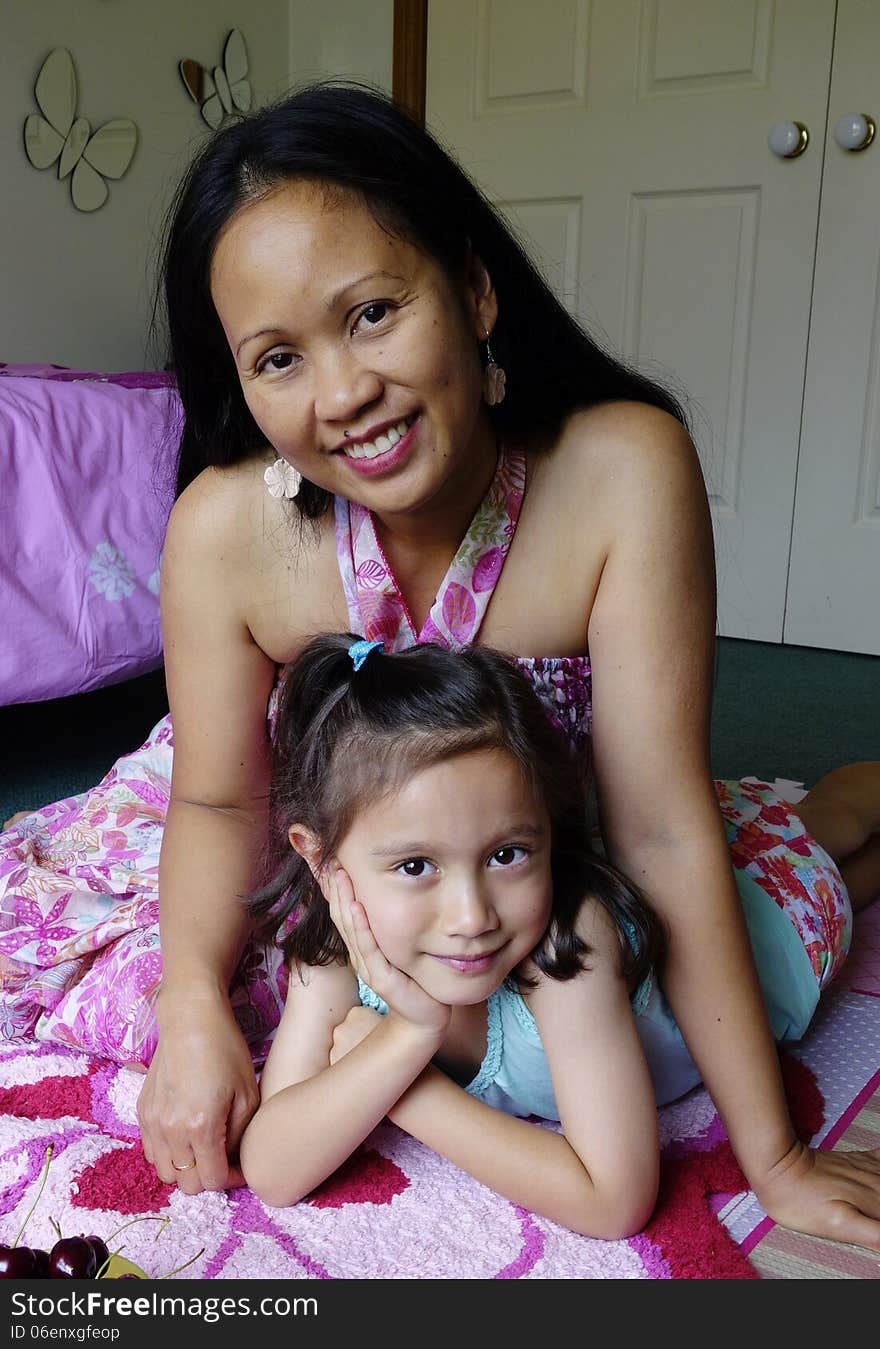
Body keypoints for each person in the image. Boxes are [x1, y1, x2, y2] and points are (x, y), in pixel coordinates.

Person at [0, 81, 877, 1247]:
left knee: (794, 891)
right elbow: (220, 794)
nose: (343, 395)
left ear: (470, 288)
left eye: (370, 313)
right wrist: (194, 1001)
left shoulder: (621, 466)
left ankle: (837, 804)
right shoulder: (223, 527)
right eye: (276, 359)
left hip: (554, 841)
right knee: (204, 1000)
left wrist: (773, 1155)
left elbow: (659, 824)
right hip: (325, 844)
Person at [238, 633, 877, 1239]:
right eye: (414, 867)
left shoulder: (566, 946)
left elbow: (614, 1200)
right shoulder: (330, 957)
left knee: (830, 835)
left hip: (774, 926)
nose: (471, 916)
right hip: (716, 907)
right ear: (322, 861)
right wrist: (410, 1034)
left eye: (508, 853)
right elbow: (272, 1169)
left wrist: (413, 1096)